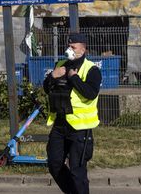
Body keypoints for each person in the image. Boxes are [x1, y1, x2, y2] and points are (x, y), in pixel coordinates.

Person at [42, 32, 101, 194]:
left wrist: (74, 78)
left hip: (80, 127)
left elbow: (91, 93)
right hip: (60, 124)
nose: (69, 50)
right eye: (68, 46)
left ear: (83, 49)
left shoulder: (91, 69)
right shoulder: (60, 64)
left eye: (73, 47)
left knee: (77, 170)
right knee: (54, 164)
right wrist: (52, 76)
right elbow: (47, 88)